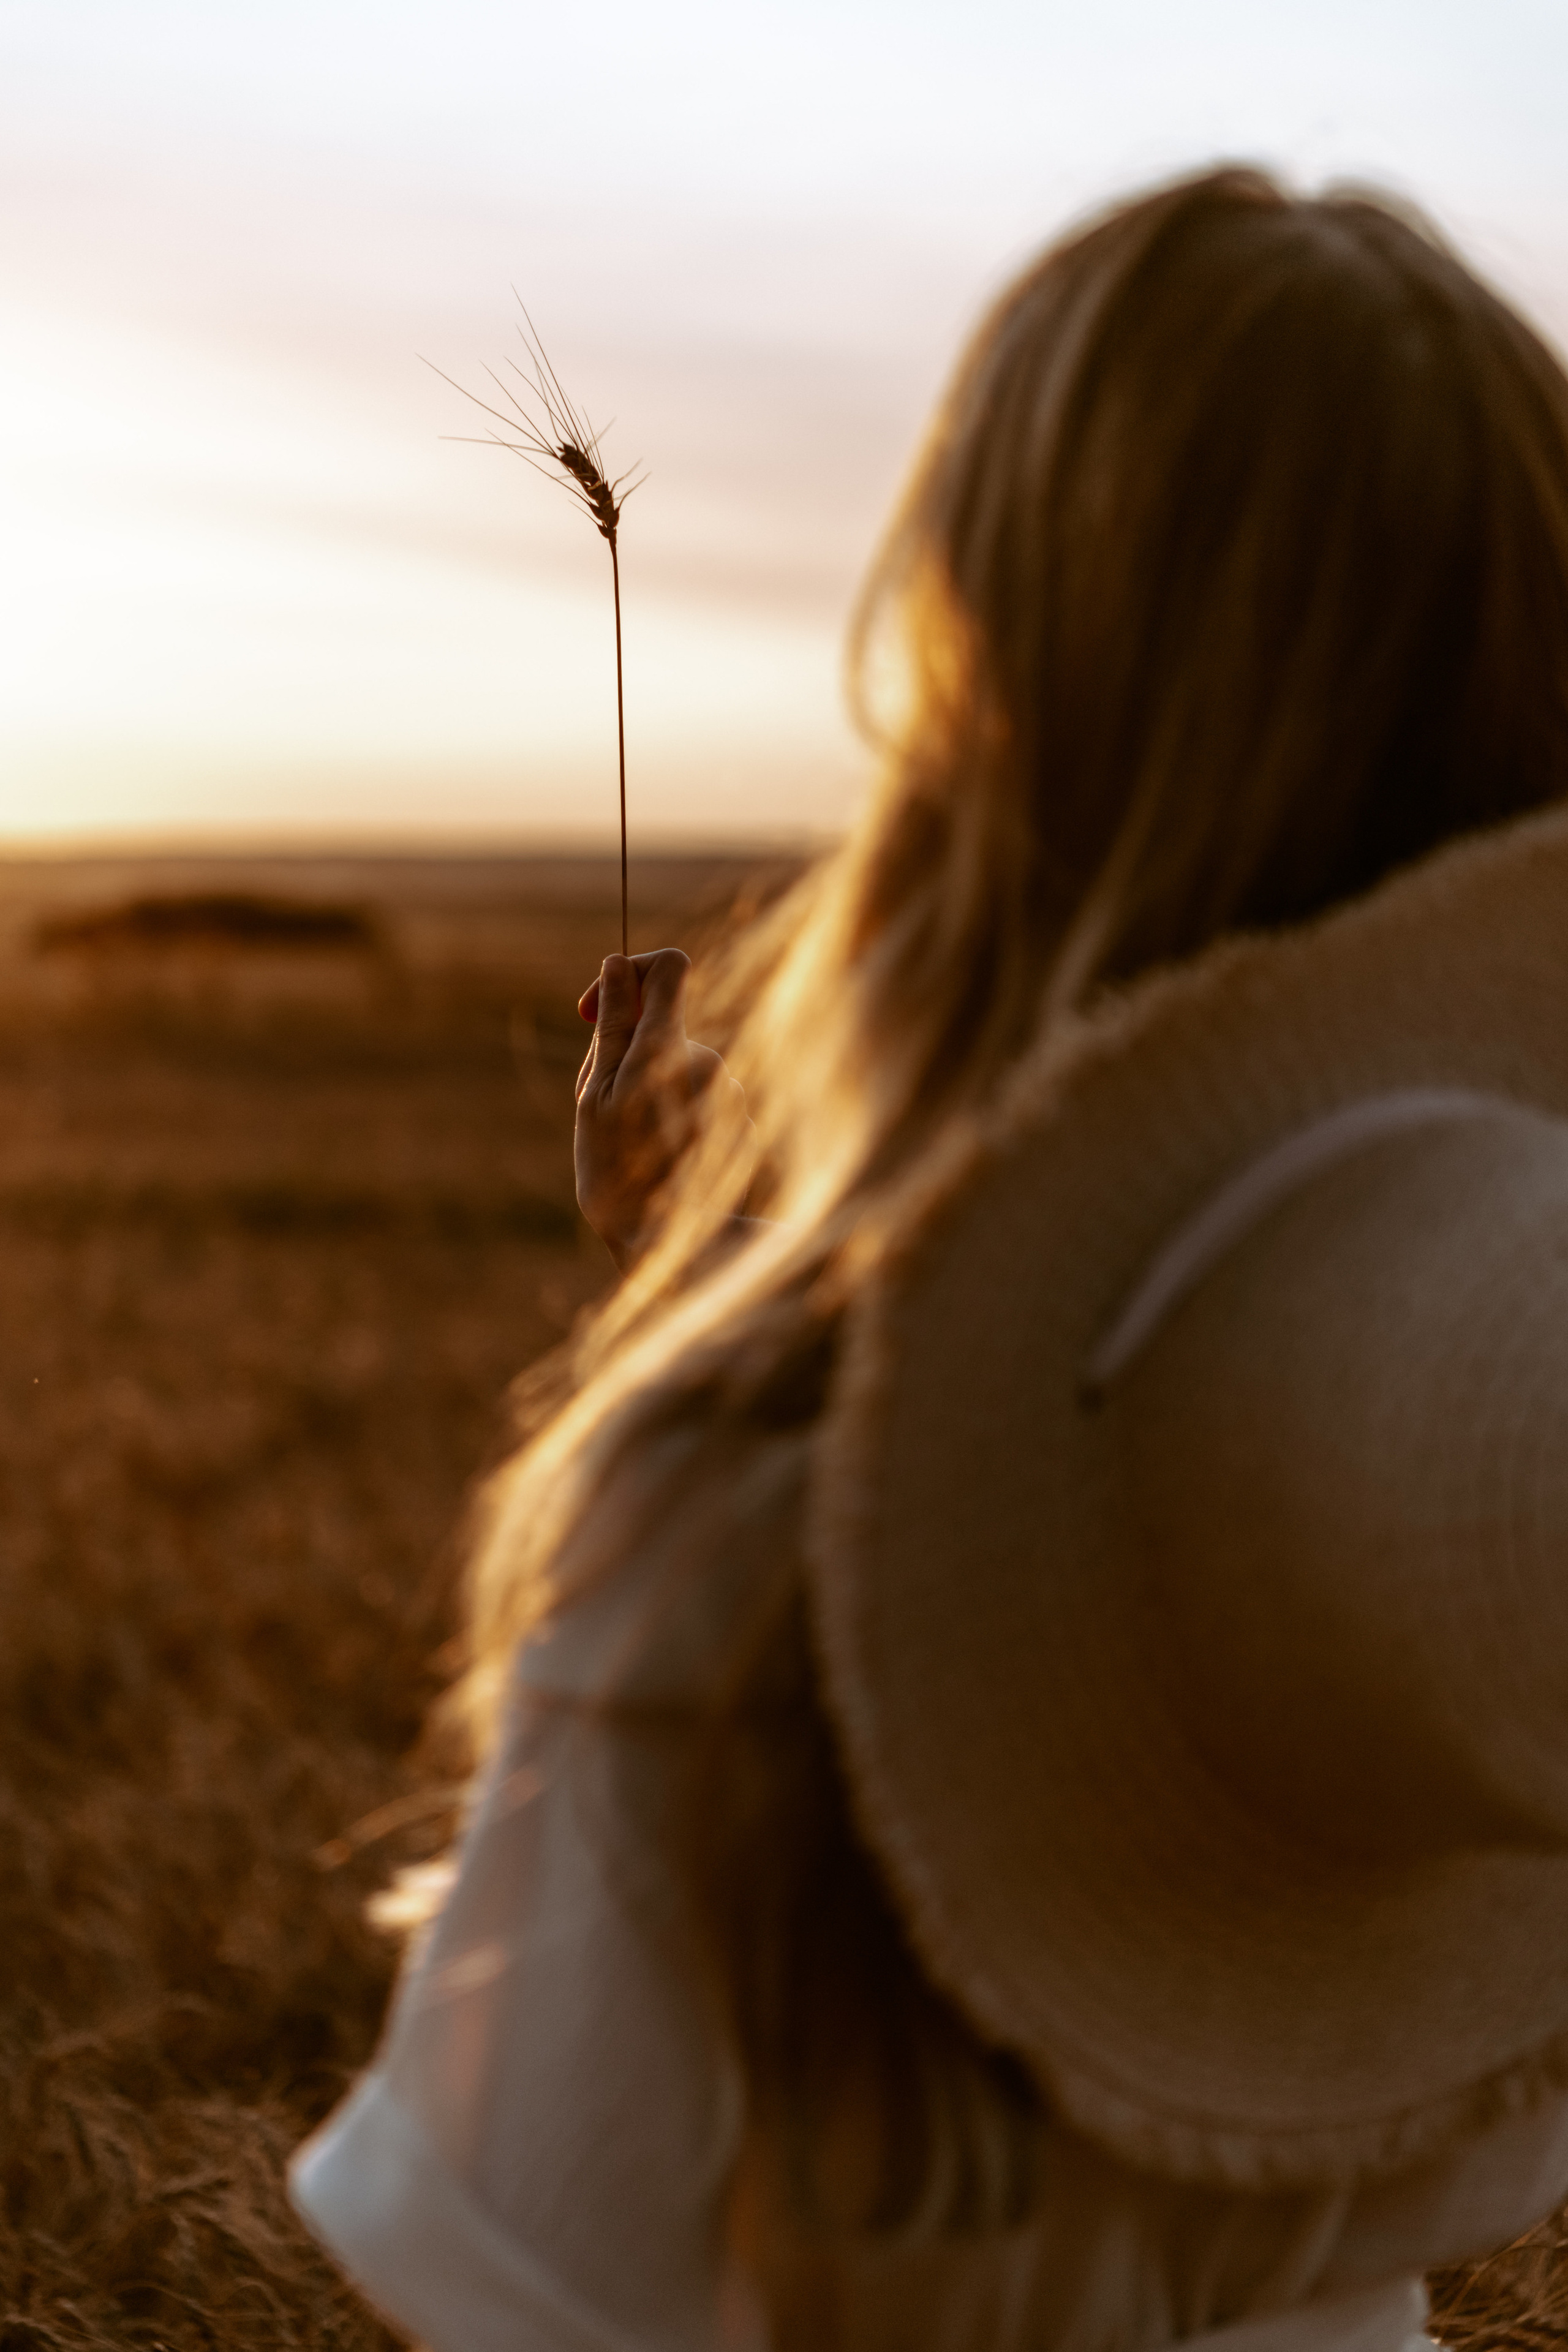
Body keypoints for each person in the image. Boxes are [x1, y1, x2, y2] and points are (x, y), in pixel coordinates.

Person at [290, 164, 1568, 2352]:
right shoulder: (1493, 1421)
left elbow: (520, 2285)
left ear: (967, 713)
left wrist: (730, 1368)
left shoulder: (732, 1550)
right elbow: (1175, 1392)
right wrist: (738, 1262)